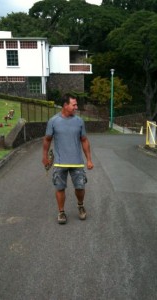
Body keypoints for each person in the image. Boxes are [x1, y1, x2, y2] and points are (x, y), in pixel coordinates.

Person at [42, 93, 94, 224]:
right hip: (60, 163)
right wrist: (44, 157)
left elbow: (84, 140)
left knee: (80, 187)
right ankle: (61, 212)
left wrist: (89, 159)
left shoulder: (79, 121)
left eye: (76, 104)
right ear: (65, 105)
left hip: (77, 162)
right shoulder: (53, 121)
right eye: (74, 104)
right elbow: (47, 139)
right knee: (60, 188)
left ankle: (80, 205)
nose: (76, 107)